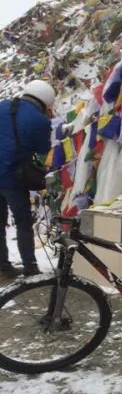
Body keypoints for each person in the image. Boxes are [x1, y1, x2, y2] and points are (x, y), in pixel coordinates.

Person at [0, 80, 55, 278]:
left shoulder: (2, 105)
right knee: (22, 222)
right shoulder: (40, 120)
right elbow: (42, 150)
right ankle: (30, 268)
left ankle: (3, 267)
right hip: (13, 178)